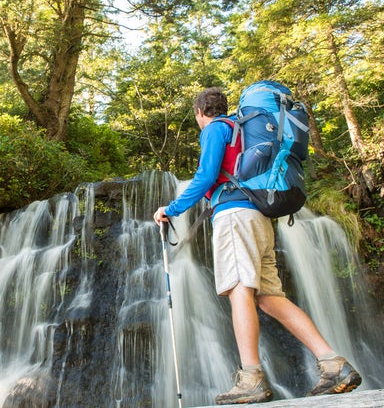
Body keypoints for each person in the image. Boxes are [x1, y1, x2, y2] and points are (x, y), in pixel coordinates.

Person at [152, 87, 362, 405]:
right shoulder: (241, 130)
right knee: (269, 298)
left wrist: (172, 209)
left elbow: (206, 175)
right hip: (260, 218)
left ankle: (250, 378)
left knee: (239, 290)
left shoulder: (215, 129)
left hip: (234, 218)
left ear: (199, 112)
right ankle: (333, 363)